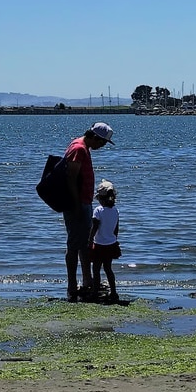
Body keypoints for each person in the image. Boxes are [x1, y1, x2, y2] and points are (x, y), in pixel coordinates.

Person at [62, 121, 114, 301]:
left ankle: (87, 281)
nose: (102, 146)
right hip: (77, 205)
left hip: (83, 203)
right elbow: (70, 178)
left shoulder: (84, 148)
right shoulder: (79, 148)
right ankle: (71, 286)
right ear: (94, 137)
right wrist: (76, 205)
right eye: (102, 142)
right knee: (74, 244)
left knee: (84, 244)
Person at [89, 180, 121, 303]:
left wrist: (90, 240)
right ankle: (113, 291)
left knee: (96, 269)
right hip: (110, 244)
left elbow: (94, 227)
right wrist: (114, 240)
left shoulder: (98, 210)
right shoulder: (115, 211)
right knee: (108, 268)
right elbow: (116, 229)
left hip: (99, 244)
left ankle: (95, 292)